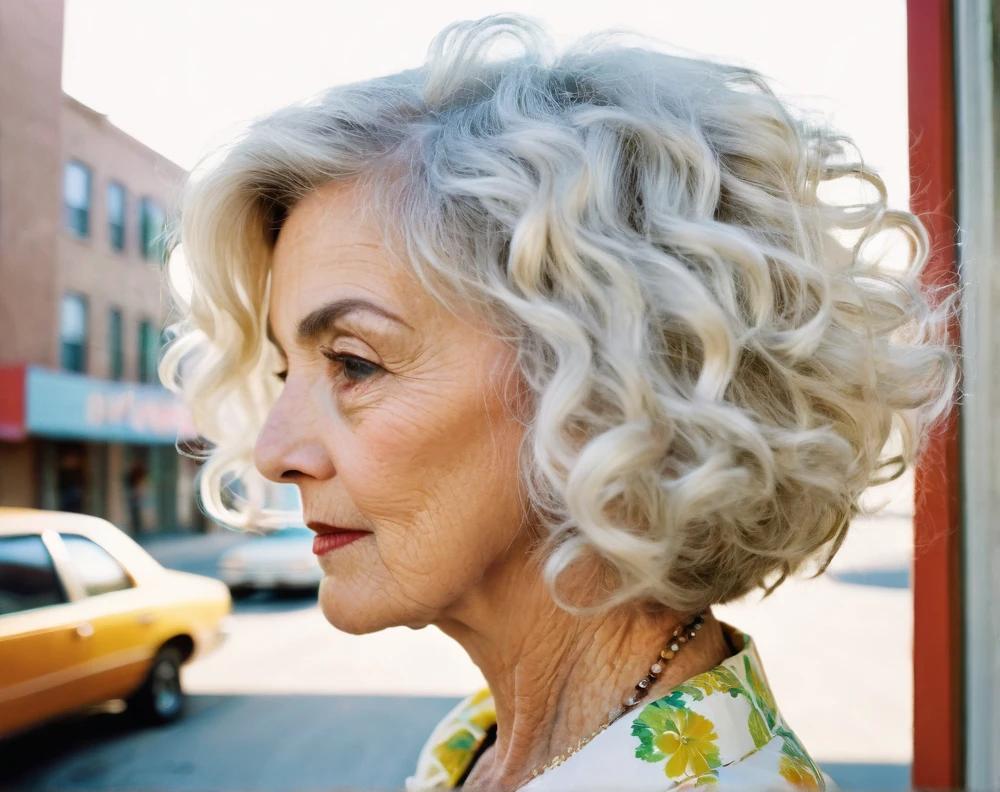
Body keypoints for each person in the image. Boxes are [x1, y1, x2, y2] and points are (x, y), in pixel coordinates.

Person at [160, 13, 958, 791]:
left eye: (353, 364)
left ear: (613, 380)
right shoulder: (480, 745)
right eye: (281, 372)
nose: (274, 450)